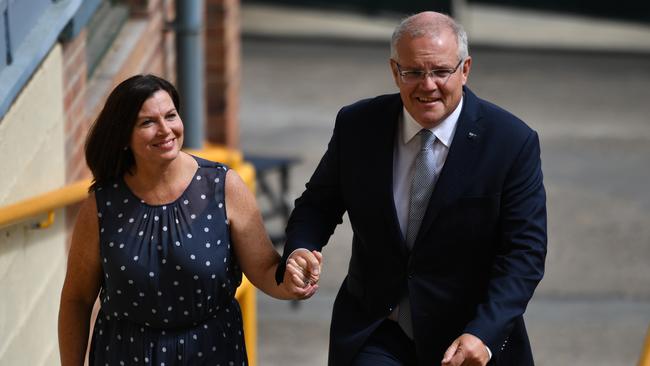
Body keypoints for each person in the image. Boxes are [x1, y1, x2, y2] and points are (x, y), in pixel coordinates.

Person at [275, 11, 547, 366]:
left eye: (440, 72)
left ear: (465, 69)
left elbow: (524, 254)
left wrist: (484, 333)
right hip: (376, 328)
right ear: (394, 71)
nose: (427, 85)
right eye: (414, 72)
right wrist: (301, 248)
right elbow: (318, 204)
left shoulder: (511, 142)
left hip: (466, 336)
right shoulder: (358, 125)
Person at [58, 74, 321, 365]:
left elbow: (264, 268)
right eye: (147, 122)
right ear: (123, 136)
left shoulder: (223, 186)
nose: (165, 130)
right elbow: (77, 299)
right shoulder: (102, 206)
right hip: (125, 354)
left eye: (170, 116)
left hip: (211, 352)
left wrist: (290, 284)